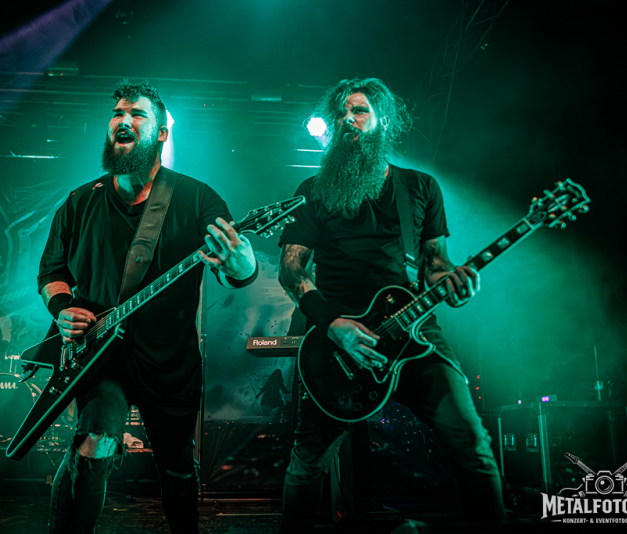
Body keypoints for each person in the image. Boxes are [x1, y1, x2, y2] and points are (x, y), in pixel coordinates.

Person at [277, 77, 506, 532]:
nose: (347, 119)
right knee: (307, 465)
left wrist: (454, 283)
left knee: (474, 447)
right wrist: (332, 324)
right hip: (337, 341)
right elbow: (291, 271)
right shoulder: (313, 190)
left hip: (414, 333)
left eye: (359, 110)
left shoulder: (419, 186)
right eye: (341, 112)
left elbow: (435, 266)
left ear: (383, 120)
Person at [38, 78, 258, 534]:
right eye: (118, 113)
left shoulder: (196, 197)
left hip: (170, 360)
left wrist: (242, 261)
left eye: (137, 114)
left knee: (177, 468)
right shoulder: (80, 201)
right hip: (100, 357)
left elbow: (236, 268)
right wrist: (61, 308)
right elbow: (52, 272)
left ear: (161, 133)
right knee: (93, 445)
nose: (123, 120)